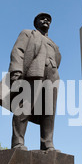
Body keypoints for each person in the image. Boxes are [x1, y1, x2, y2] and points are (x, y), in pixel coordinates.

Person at [7, 12, 62, 151]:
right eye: (42, 18)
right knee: (24, 105)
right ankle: (18, 142)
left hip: (52, 76)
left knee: (49, 111)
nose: (46, 21)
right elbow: (17, 51)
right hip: (34, 72)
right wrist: (16, 71)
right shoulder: (28, 34)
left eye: (48, 20)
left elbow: (58, 59)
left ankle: (47, 143)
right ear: (36, 22)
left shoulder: (54, 44)